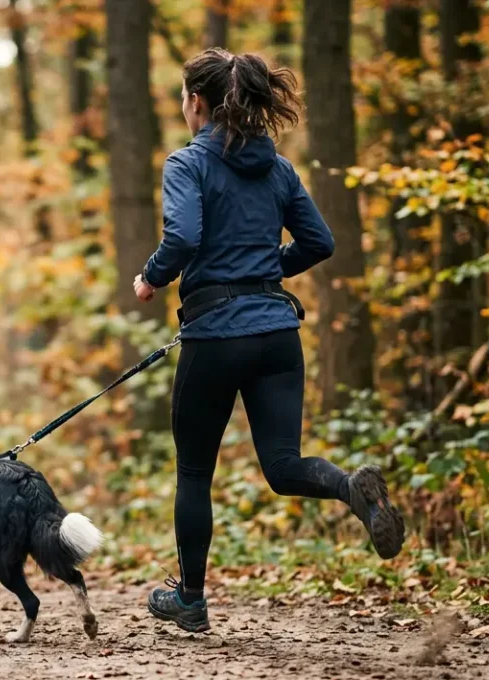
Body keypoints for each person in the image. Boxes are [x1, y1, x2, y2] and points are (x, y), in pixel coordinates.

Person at [134, 48, 405, 634]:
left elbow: (182, 237)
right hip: (278, 334)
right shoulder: (279, 170)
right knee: (283, 465)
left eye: (185, 98)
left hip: (214, 337)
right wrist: (265, 274)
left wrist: (151, 277)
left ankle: (191, 599)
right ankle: (350, 489)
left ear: (197, 103)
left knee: (193, 473)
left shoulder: (186, 165)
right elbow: (319, 242)